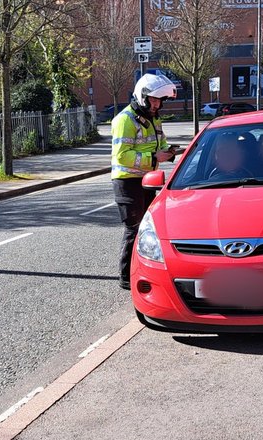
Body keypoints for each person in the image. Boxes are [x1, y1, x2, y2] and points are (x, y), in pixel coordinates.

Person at [112, 73, 177, 290]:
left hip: (148, 179)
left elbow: (160, 143)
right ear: (143, 96)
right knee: (134, 228)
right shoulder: (125, 119)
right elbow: (121, 155)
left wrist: (169, 152)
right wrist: (152, 159)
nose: (157, 104)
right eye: (154, 100)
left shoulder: (153, 118)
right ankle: (125, 277)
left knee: (148, 228)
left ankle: (142, 269)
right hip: (127, 181)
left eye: (160, 101)